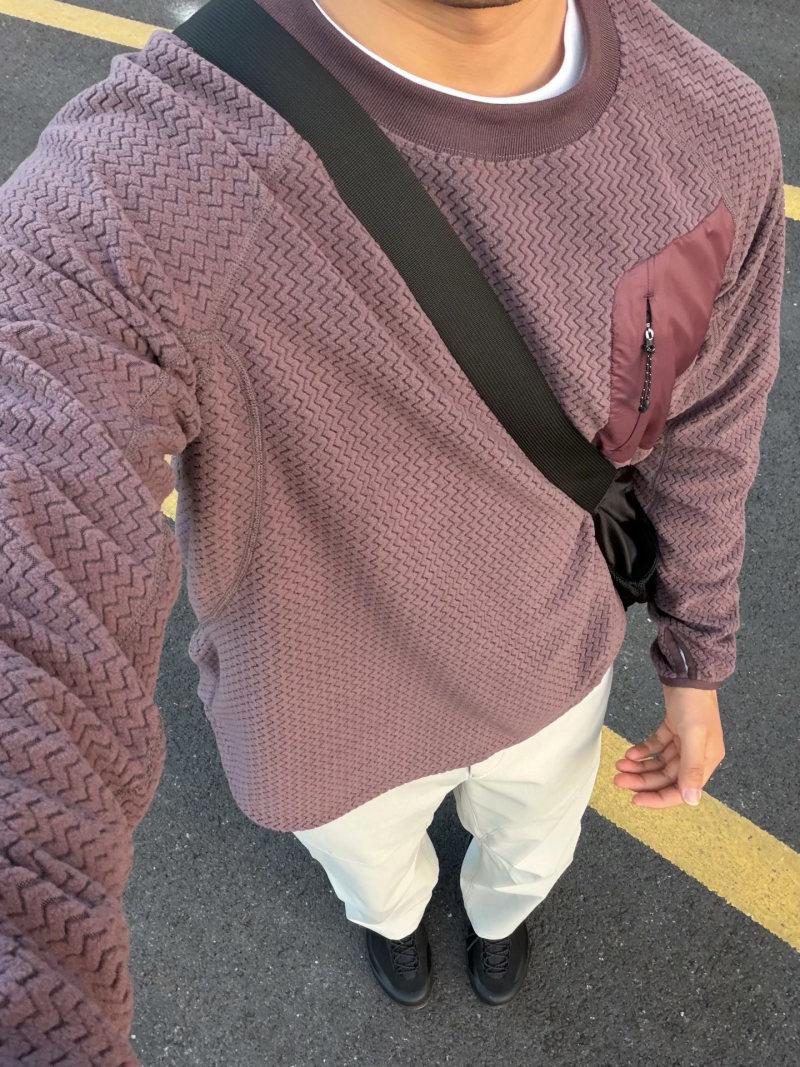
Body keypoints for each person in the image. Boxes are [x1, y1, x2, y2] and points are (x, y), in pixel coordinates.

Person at [0, 0, 784, 1059]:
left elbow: (706, 433)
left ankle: (495, 921)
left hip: (547, 671)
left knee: (528, 851)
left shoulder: (710, 129)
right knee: (374, 877)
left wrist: (697, 661)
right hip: (323, 721)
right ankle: (399, 921)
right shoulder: (151, 179)